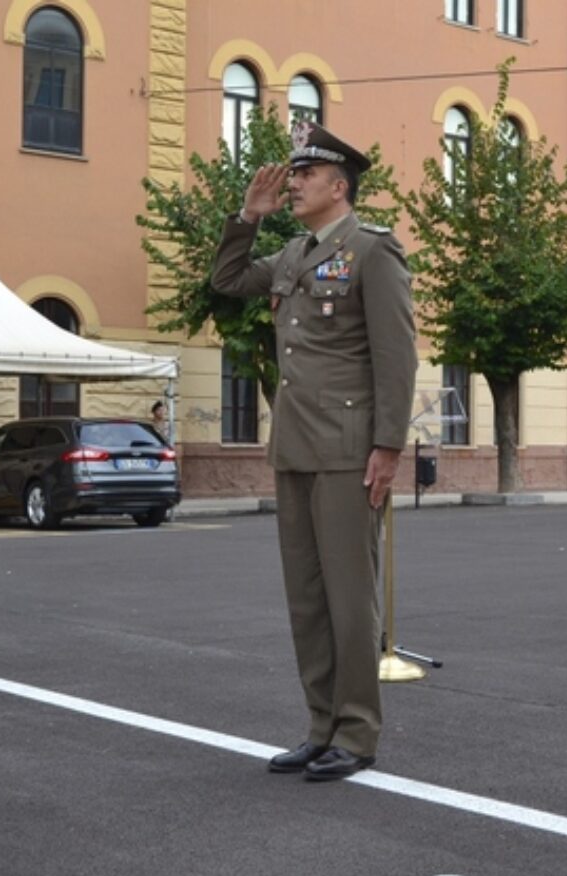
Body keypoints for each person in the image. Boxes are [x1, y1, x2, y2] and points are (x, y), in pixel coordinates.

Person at [211, 120, 417, 782]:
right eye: (291, 174)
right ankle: (319, 725)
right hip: (296, 446)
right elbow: (228, 278)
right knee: (306, 598)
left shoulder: (372, 251)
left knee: (351, 597)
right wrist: (248, 215)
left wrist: (388, 446)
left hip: (349, 450)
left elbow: (396, 357)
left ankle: (356, 731)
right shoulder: (297, 253)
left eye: (305, 174)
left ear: (339, 184)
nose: (292, 182)